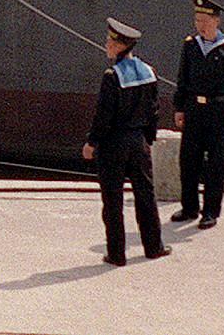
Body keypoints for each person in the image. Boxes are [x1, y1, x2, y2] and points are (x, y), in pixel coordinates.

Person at [82, 17, 170, 266]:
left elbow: (104, 115)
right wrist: (149, 138)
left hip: (114, 143)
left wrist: (92, 142)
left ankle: (117, 254)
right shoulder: (149, 72)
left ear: (120, 45)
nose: (107, 45)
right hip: (139, 141)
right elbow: (154, 110)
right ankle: (154, 247)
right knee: (146, 194)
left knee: (112, 199)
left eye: (110, 41)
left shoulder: (112, 75)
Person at [172, 0, 224, 228]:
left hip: (218, 110)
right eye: (197, 19)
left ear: (215, 21)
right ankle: (189, 207)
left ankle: (211, 211)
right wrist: (179, 107)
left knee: (215, 163)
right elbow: (182, 78)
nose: (199, 24)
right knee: (188, 159)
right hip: (194, 109)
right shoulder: (191, 45)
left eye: (204, 19)